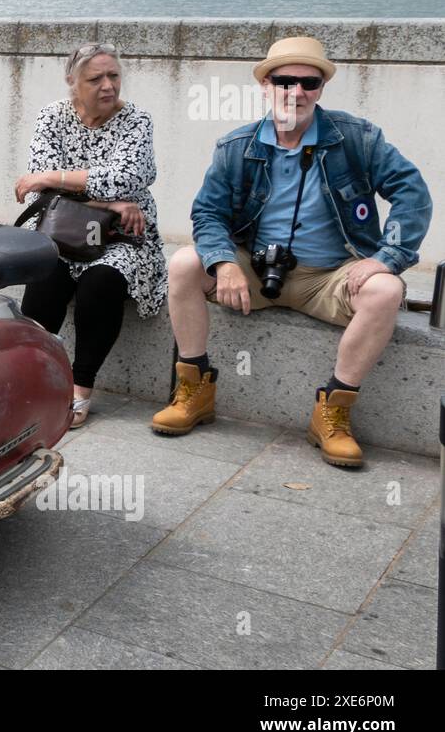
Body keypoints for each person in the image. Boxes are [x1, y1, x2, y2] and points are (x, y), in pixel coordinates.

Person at [152, 36, 432, 468]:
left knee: (386, 290)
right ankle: (195, 388)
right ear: (265, 84)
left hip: (330, 276)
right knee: (187, 263)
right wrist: (224, 263)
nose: (296, 92)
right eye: (285, 81)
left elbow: (413, 195)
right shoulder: (236, 146)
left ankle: (332, 411)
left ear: (321, 89)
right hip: (254, 272)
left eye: (309, 83)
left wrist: (384, 258)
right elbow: (208, 213)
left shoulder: (357, 138)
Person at [14, 42, 168, 429]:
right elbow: (38, 192)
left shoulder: (136, 120)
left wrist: (58, 178)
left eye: (113, 76)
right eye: (95, 78)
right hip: (64, 231)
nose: (108, 86)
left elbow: (129, 177)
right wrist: (111, 203)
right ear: (72, 81)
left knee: (102, 282)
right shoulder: (52, 117)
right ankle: (31, 380)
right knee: (45, 279)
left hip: (122, 236)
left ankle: (80, 389)